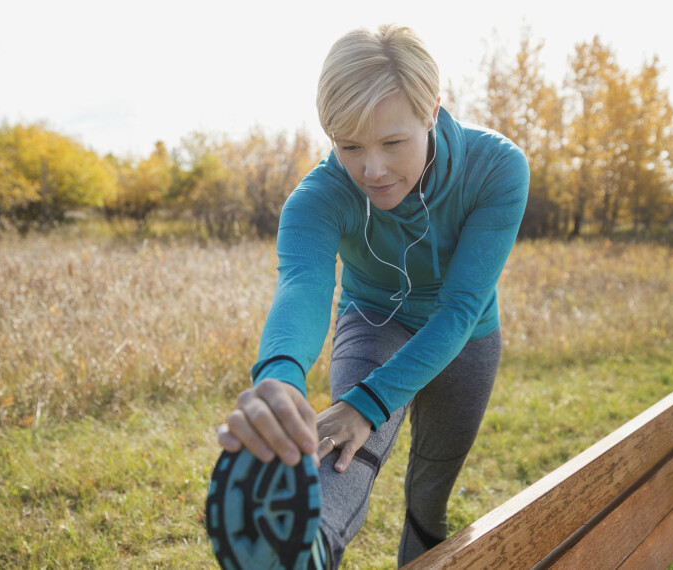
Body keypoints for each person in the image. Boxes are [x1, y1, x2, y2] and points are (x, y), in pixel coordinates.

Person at [205, 24, 529, 569]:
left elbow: (458, 309)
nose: (372, 171)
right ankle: (306, 551)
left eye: (393, 143)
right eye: (349, 146)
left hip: (466, 336)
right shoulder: (316, 200)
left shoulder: (496, 167)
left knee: (430, 489)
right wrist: (278, 380)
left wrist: (369, 403)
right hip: (374, 319)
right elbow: (303, 288)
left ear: (432, 110)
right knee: (344, 448)